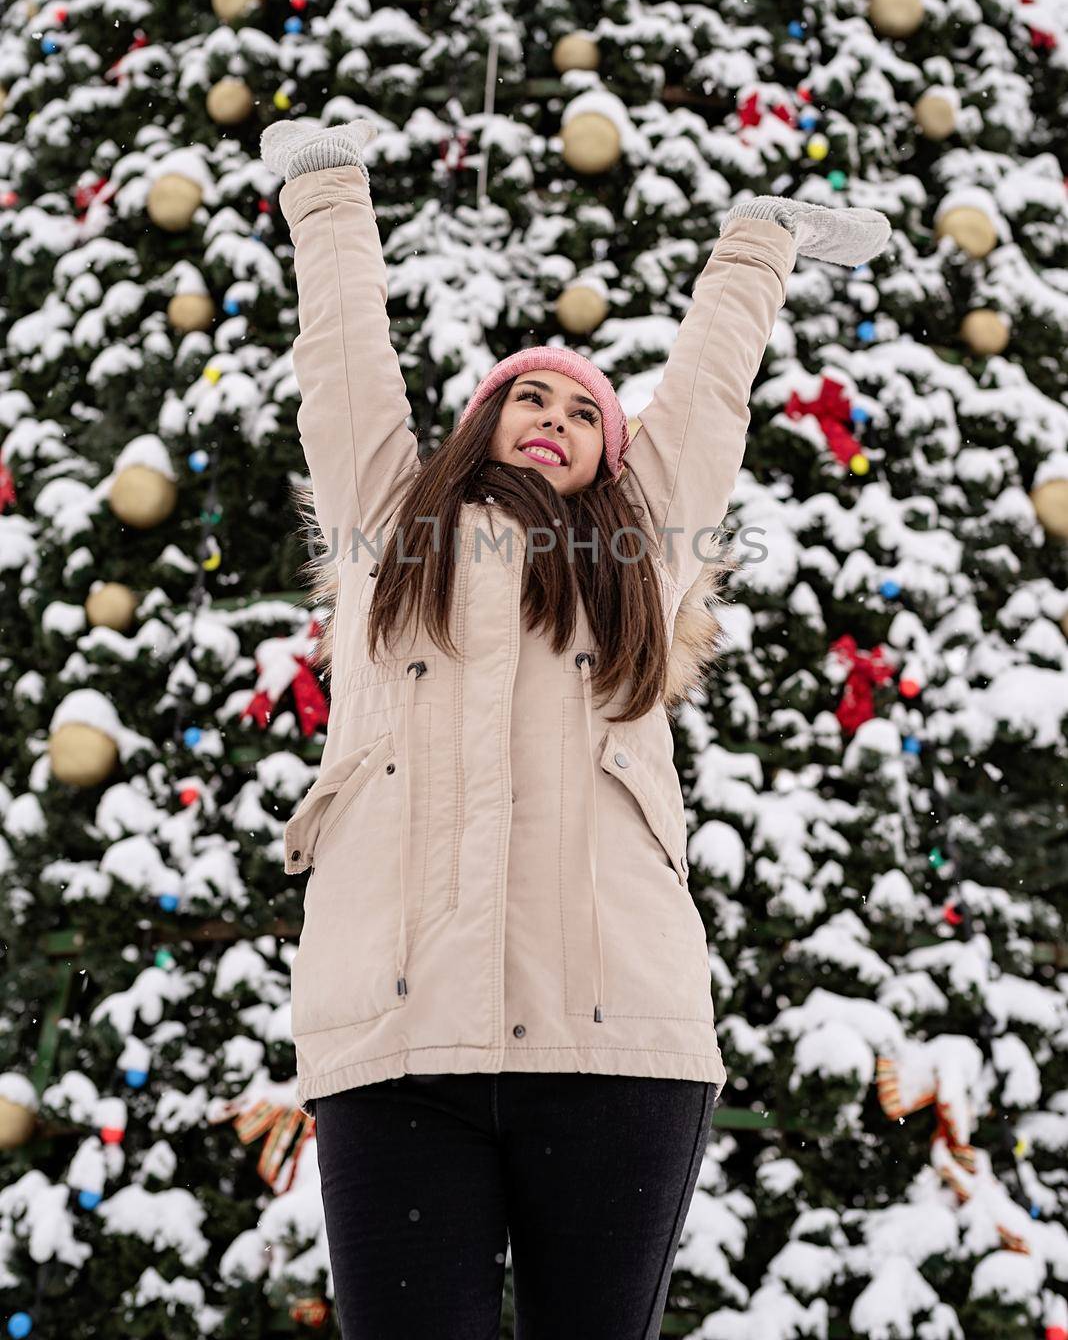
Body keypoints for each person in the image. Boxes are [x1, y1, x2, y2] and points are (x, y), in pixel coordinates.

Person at [260, 116, 891, 1339]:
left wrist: (756, 248)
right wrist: (328, 195)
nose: (551, 413)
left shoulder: (637, 547)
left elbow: (707, 400)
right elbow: (343, 371)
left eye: (581, 408)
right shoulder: (388, 529)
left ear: (612, 453)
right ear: (479, 426)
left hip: (615, 1046)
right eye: (523, 396)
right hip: (396, 1039)